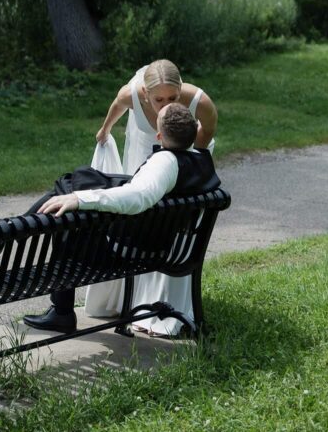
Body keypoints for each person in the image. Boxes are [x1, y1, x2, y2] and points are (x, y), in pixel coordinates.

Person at [23, 102, 220, 333]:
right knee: (76, 180)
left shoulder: (166, 162)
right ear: (195, 131)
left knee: (67, 217)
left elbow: (138, 196)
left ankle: (61, 311)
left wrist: (80, 199)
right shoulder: (202, 161)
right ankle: (26, 225)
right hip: (165, 245)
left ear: (159, 135)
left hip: (131, 252)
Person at [92, 59, 218, 336]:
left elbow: (207, 132)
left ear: (181, 89)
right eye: (158, 99)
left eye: (173, 98)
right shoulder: (131, 95)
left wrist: (184, 160)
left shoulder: (200, 102)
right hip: (142, 154)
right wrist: (105, 130)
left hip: (178, 157)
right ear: (145, 95)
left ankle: (167, 304)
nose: (166, 105)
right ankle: (136, 300)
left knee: (172, 223)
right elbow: (116, 107)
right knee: (144, 220)